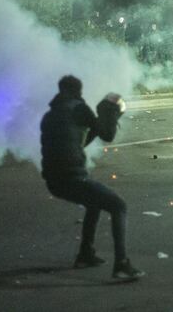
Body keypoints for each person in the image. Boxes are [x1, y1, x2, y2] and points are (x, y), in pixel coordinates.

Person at [40, 75, 144, 280]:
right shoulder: (78, 108)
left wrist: (96, 122)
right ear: (78, 90)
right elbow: (106, 134)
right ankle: (122, 265)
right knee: (118, 206)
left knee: (94, 204)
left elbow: (77, 143)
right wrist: (112, 109)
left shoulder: (50, 115)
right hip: (72, 179)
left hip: (54, 182)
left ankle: (85, 255)